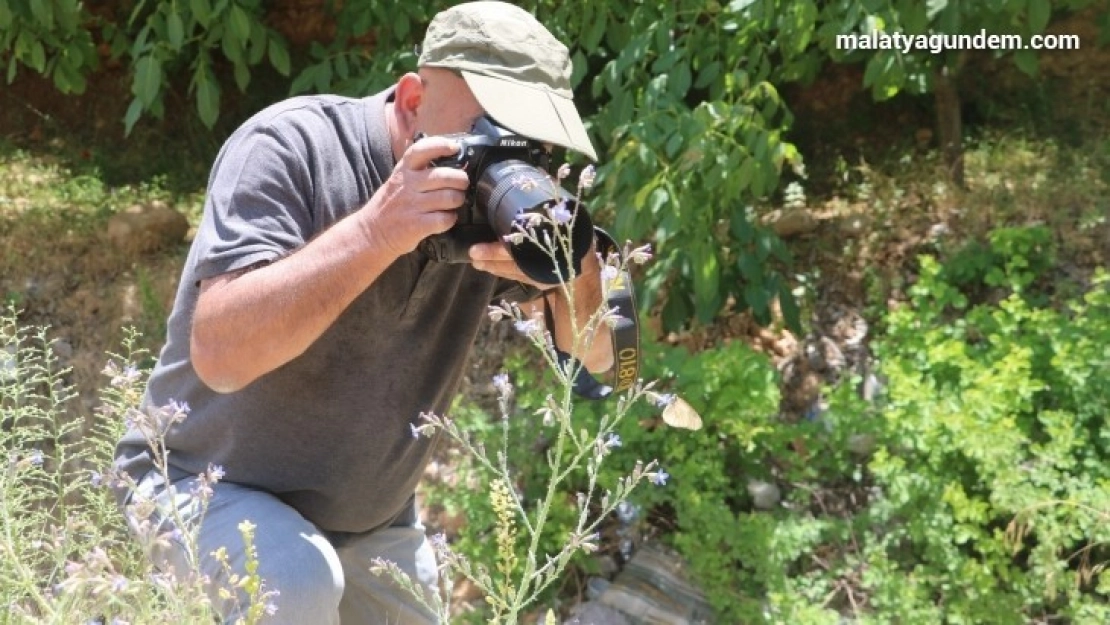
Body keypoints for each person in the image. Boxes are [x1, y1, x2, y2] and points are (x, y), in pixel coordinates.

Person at [111, 2, 612, 623]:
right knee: (294, 585)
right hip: (196, 481)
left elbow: (600, 359)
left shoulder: (501, 208)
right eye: (488, 135)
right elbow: (219, 354)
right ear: (411, 102)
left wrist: (575, 269)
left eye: (532, 145)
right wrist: (378, 231)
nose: (510, 161)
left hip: (369, 523)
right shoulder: (291, 147)